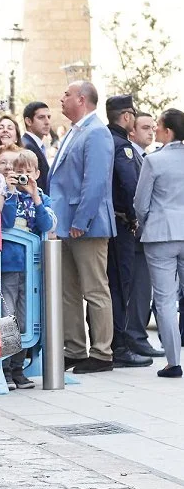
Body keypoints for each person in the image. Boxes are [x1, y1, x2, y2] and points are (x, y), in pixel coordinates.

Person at [48, 81, 116, 374]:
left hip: (85, 225)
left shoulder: (97, 132)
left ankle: (102, 352)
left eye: (65, 94)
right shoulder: (74, 132)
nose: (61, 99)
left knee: (94, 290)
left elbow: (96, 182)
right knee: (68, 291)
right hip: (65, 225)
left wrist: (81, 221)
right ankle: (74, 348)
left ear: (82, 98)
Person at [134, 108, 184, 378]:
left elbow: (140, 203)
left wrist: (146, 222)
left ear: (168, 131)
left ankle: (173, 362)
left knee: (165, 300)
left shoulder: (154, 161)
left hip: (161, 233)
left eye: (159, 127)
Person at [1, 150, 56, 390]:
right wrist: (12, 193)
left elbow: (46, 225)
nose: (23, 177)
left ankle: (18, 368)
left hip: (32, 269)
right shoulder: (6, 195)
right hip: (8, 267)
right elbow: (4, 222)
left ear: (37, 174)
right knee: (7, 317)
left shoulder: (42, 198)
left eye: (28, 172)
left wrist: (36, 198)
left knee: (26, 319)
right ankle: (2, 369)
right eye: (18, 172)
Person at [105, 95, 151, 368]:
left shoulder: (104, 139)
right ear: (126, 117)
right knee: (120, 286)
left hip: (108, 223)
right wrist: (135, 218)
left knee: (110, 285)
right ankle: (120, 345)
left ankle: (114, 342)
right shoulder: (123, 147)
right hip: (121, 225)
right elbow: (131, 188)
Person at [125, 113, 164, 357]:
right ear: (132, 131)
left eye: (153, 127)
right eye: (145, 127)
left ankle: (137, 335)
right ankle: (136, 336)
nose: (150, 132)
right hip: (137, 232)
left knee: (144, 287)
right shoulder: (134, 157)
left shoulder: (146, 157)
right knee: (140, 287)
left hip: (146, 231)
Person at [21, 101, 51, 193]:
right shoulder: (27, 146)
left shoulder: (37, 145)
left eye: (49, 117)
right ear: (28, 121)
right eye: (41, 117)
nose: (47, 122)